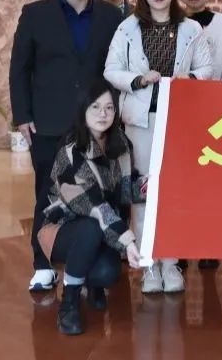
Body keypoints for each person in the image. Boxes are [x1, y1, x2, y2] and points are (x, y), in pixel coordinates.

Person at [9, 0, 122, 293]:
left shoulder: (110, 16)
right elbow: (20, 68)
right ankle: (43, 265)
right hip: (48, 121)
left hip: (97, 123)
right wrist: (22, 115)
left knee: (98, 190)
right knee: (47, 193)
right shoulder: (35, 13)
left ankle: (89, 262)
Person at [104, 0, 214, 294]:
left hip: (179, 120)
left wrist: (189, 78)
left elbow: (206, 67)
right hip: (141, 120)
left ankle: (171, 262)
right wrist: (138, 79)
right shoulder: (128, 28)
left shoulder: (191, 28)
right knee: (143, 193)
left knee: (174, 191)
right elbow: (111, 70)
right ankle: (150, 265)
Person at [38, 79, 142, 335]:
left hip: (102, 227)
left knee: (107, 272)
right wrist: (128, 241)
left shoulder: (121, 145)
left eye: (109, 107)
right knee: (90, 228)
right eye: (95, 107)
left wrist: (147, 186)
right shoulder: (71, 152)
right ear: (83, 109)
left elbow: (124, 191)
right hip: (62, 229)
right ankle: (69, 301)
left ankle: (91, 283)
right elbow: (93, 205)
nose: (102, 114)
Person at [177, 0, 222, 271]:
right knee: (180, 182)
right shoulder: (170, 21)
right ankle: (179, 245)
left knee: (211, 184)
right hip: (177, 114)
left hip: (215, 115)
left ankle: (208, 244)